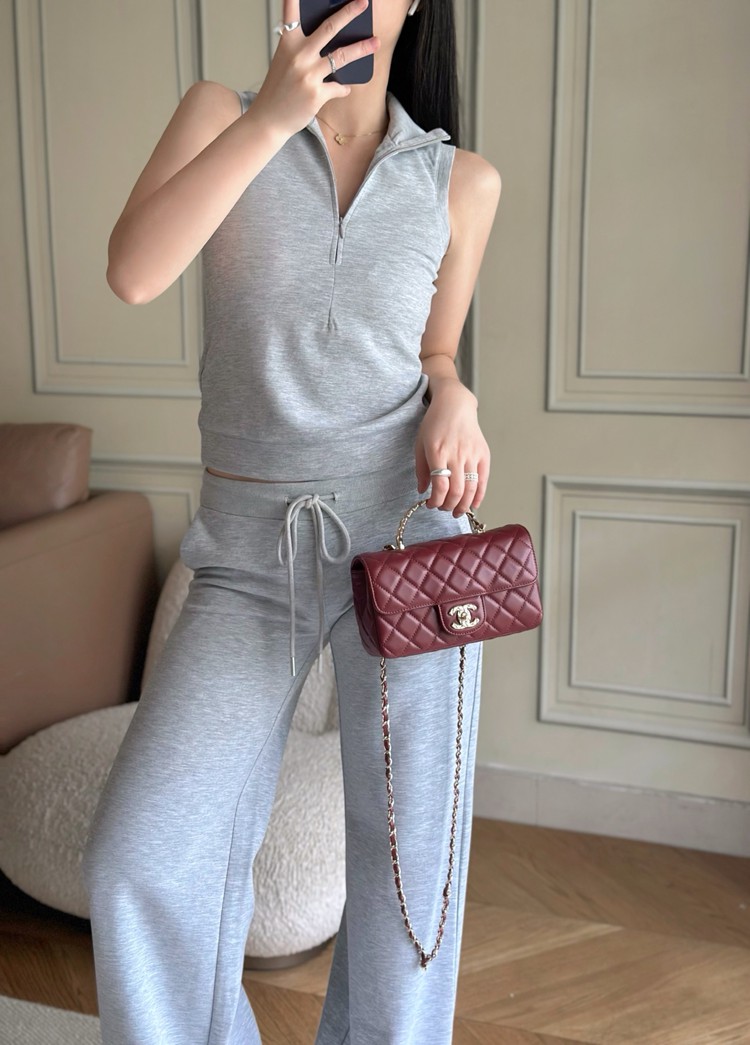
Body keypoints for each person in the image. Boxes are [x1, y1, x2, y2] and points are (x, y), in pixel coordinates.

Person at [81, 0, 501, 1041]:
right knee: (139, 852)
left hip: (406, 540)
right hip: (245, 557)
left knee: (411, 875)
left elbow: (435, 353)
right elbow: (133, 272)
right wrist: (274, 117)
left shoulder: (460, 180)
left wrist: (456, 396)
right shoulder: (220, 115)